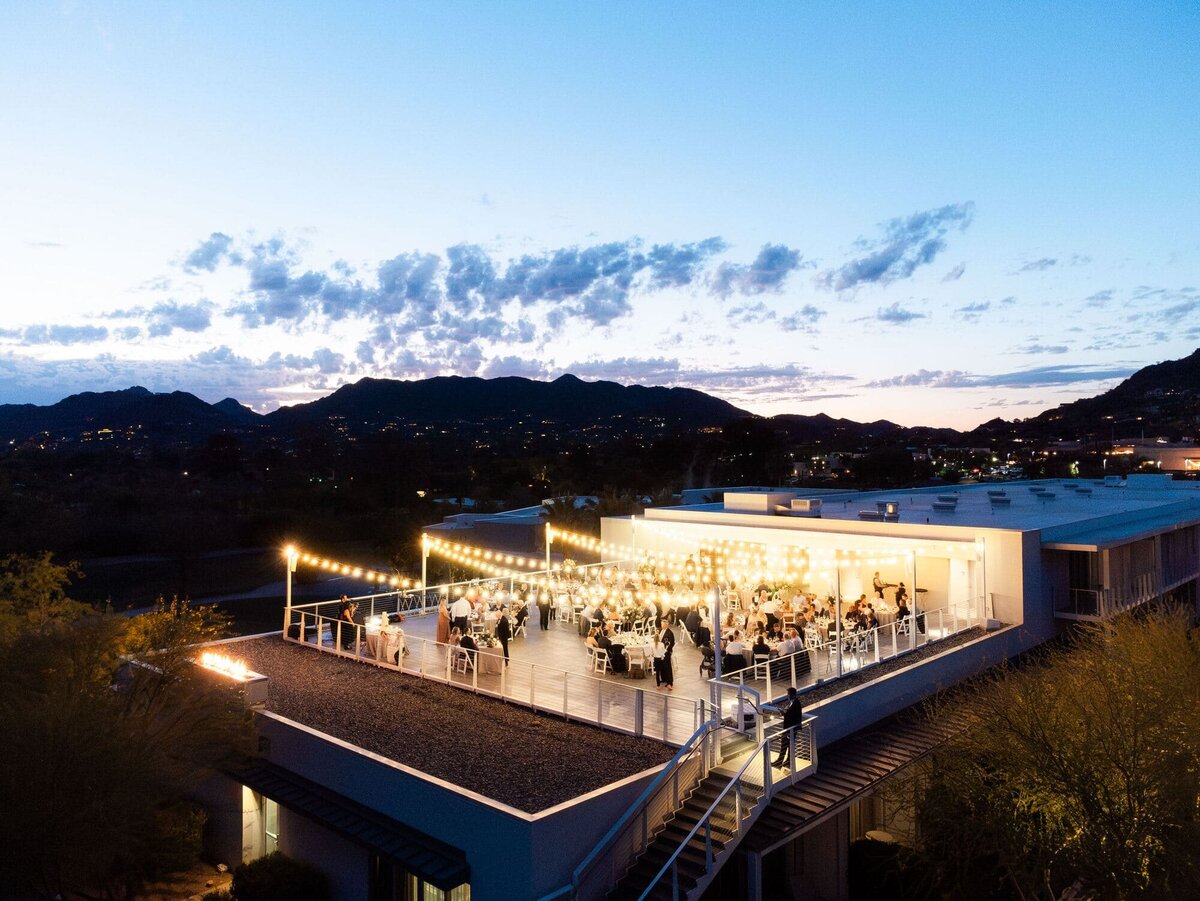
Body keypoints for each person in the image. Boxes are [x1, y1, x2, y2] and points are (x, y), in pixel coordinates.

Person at [771, 687, 804, 767]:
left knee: (785, 744)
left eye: (788, 694)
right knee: (787, 745)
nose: (787, 696)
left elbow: (792, 715)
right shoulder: (793, 703)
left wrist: (784, 713)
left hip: (790, 728)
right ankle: (786, 761)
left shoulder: (796, 703)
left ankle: (781, 761)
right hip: (790, 728)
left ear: (792, 695)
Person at [653, 620, 675, 690]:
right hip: (660, 652)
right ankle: (664, 678)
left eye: (663, 625)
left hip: (666, 653)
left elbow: (671, 643)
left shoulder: (670, 633)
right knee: (662, 667)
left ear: (666, 625)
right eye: (661, 624)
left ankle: (670, 682)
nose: (662, 626)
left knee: (667, 667)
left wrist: (666, 650)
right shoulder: (660, 630)